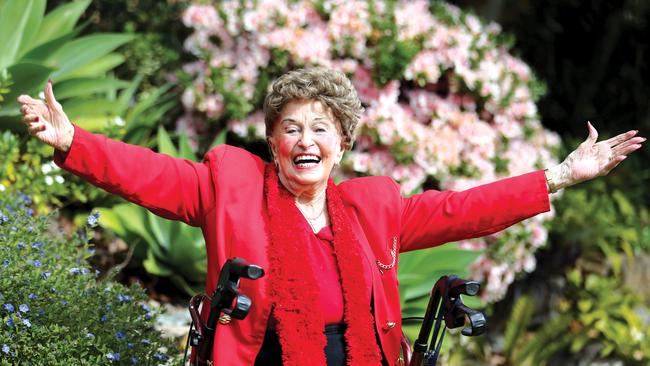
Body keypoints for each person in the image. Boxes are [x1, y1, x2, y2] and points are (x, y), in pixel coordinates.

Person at [18, 68, 644, 366]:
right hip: (262, 357)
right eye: (291, 128)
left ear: (341, 145)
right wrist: (74, 141)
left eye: (321, 128)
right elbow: (151, 175)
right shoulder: (231, 185)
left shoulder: (370, 206)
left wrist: (560, 175)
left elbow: (463, 210)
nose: (305, 139)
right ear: (273, 143)